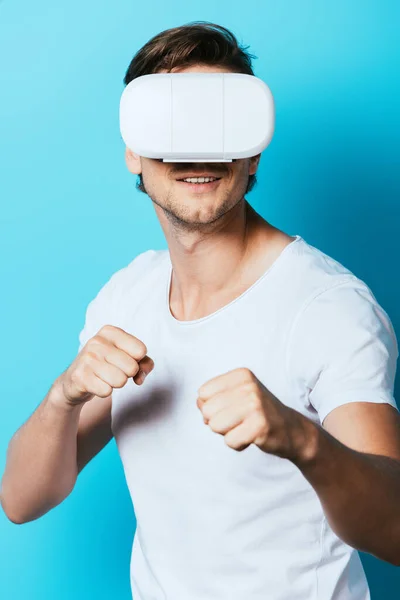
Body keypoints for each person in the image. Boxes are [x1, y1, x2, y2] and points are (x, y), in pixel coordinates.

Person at [1, 21, 400, 600]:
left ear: (255, 148)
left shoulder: (329, 308)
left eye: (220, 127)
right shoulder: (125, 297)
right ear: (134, 152)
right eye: (173, 127)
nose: (199, 153)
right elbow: (20, 499)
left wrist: (301, 438)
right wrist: (65, 396)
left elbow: (393, 529)